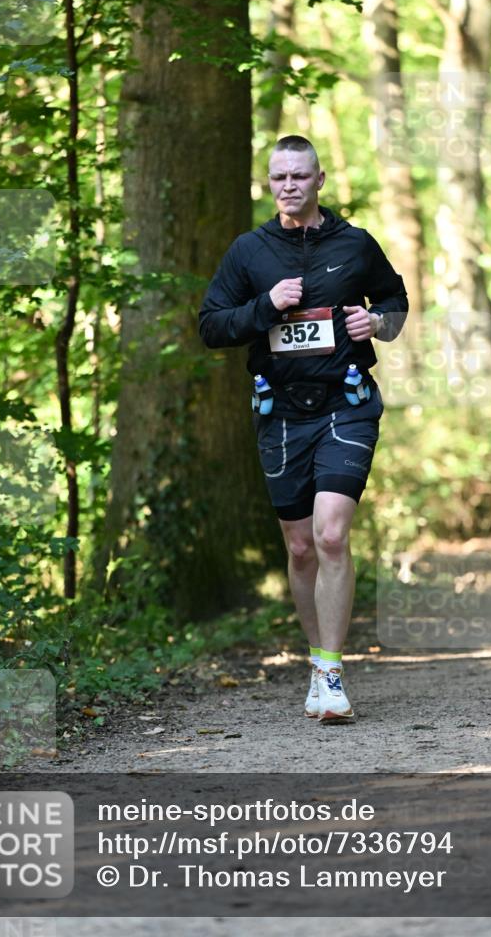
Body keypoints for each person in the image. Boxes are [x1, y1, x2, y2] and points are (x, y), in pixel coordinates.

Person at [198, 135, 408, 723]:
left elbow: (395, 302)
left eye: (299, 176)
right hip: (281, 414)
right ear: (269, 185)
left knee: (332, 534)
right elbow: (212, 326)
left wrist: (378, 322)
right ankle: (317, 662)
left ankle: (332, 672)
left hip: (347, 404)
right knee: (299, 545)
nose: (288, 186)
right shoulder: (248, 252)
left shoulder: (356, 244)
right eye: (278, 178)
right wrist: (265, 305)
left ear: (320, 180)